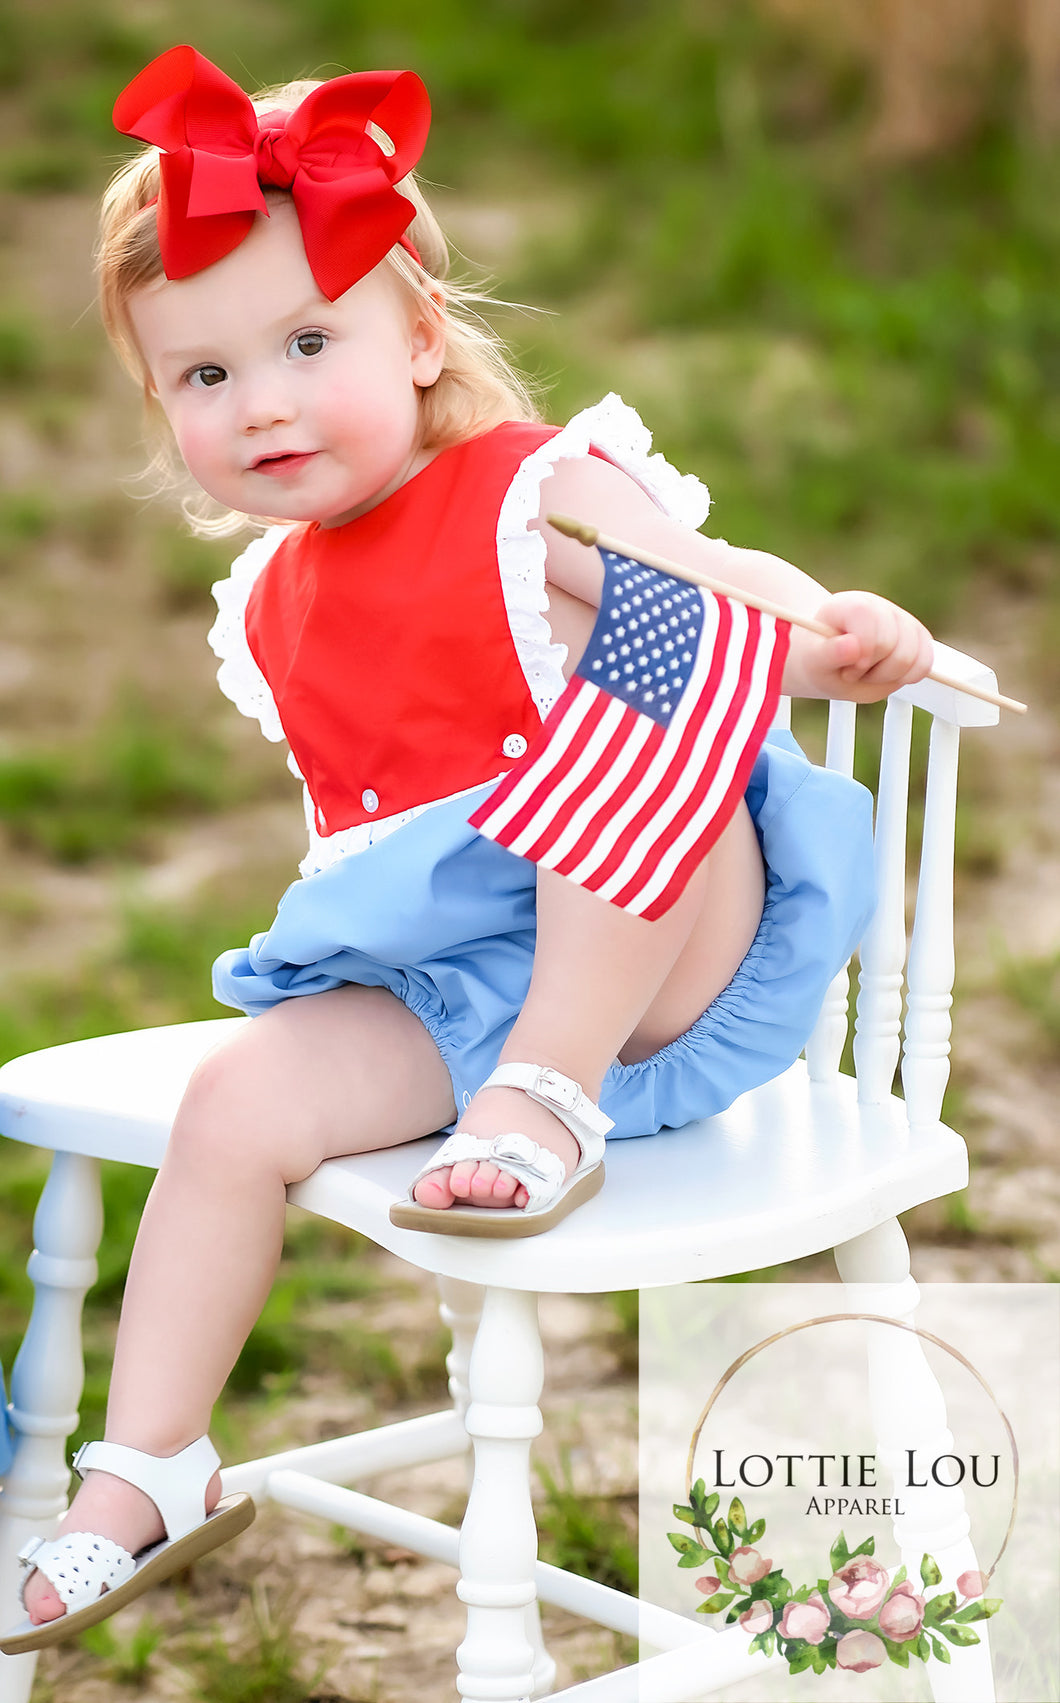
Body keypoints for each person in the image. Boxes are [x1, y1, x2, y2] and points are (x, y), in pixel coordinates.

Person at [2, 44, 933, 1650]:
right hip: (459, 992)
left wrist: (828, 639)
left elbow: (701, 594)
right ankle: (145, 1469)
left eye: (308, 342)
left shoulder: (521, 497)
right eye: (207, 378)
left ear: (420, 335)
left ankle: (548, 1095)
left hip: (659, 950)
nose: (266, 401)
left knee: (649, 654)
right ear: (161, 407)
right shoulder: (278, 594)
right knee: (237, 1101)